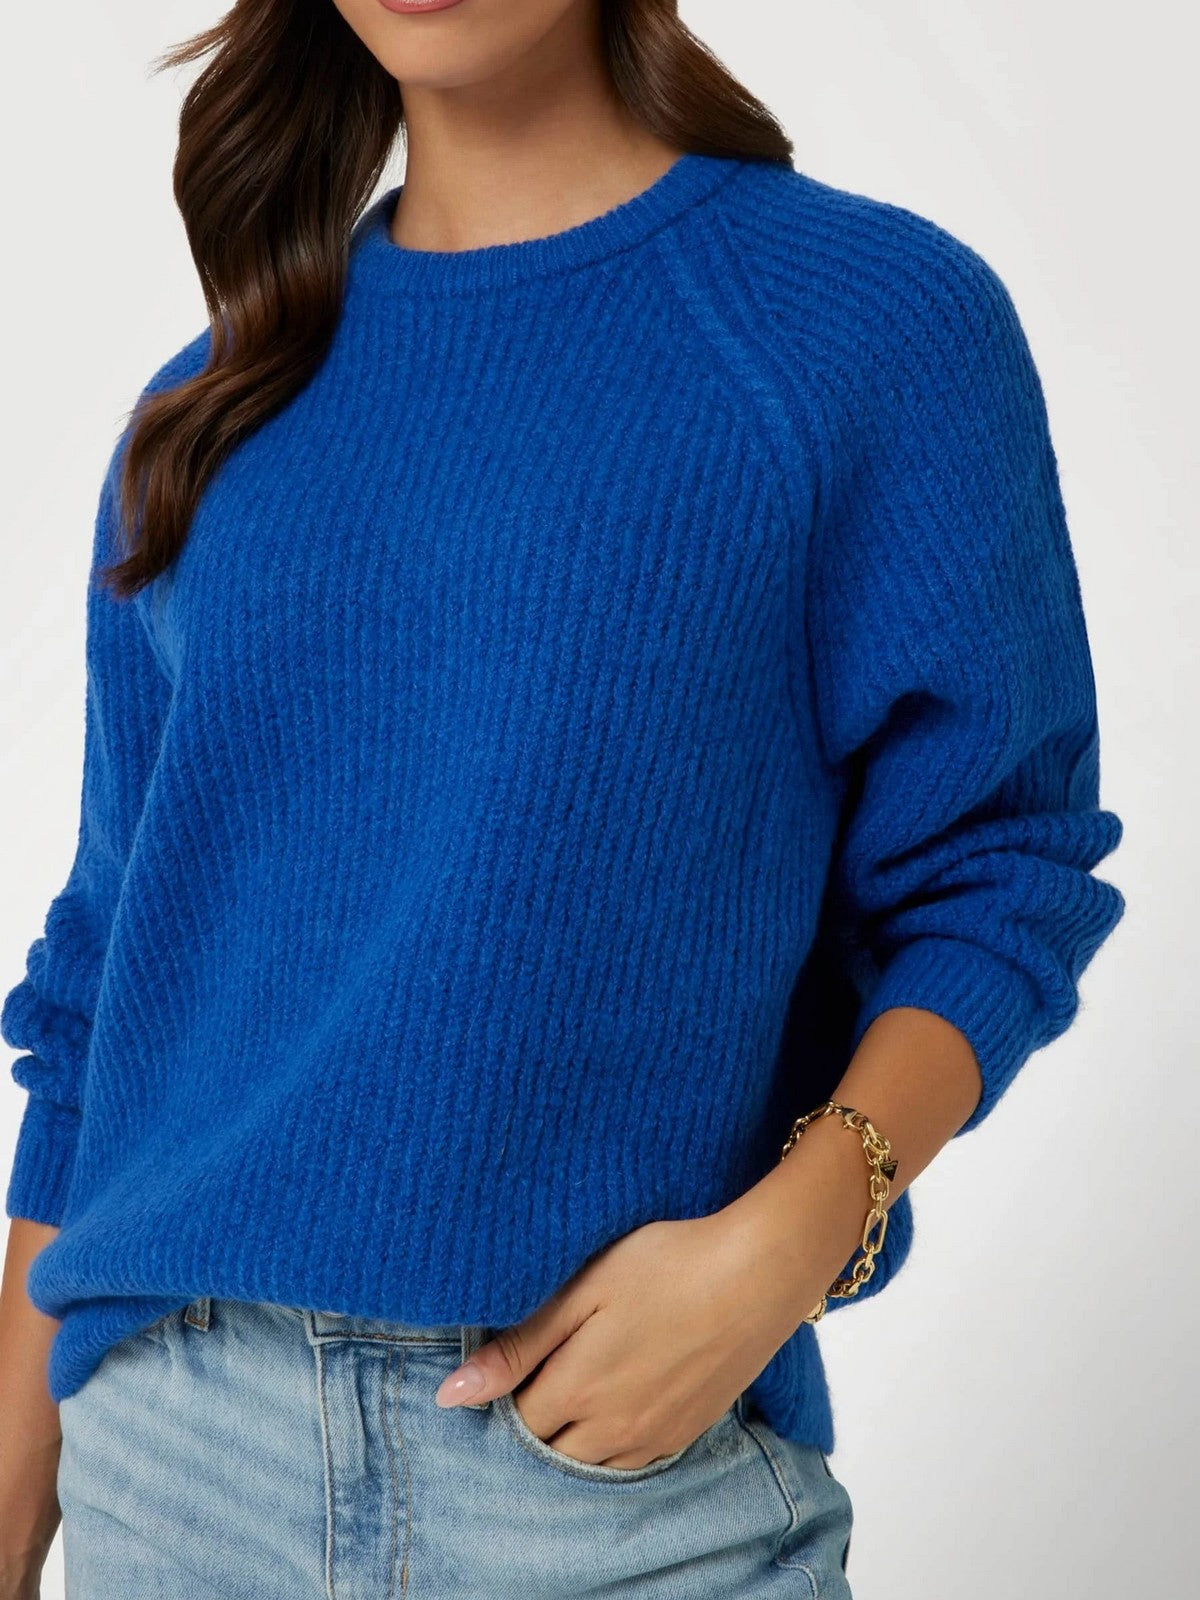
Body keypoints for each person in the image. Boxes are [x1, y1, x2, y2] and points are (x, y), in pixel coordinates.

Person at [0, 2, 1126, 1596]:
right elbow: (106, 987)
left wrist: (789, 1243)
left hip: (608, 1474)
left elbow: (1001, 870)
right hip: (177, 1468)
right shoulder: (212, 409)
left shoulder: (862, 328)